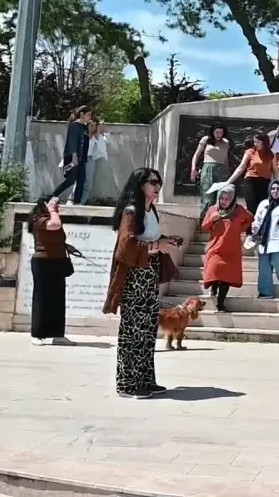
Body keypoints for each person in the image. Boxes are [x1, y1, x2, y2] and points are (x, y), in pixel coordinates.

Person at [102, 168, 180, 399]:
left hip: (149, 275)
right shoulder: (131, 212)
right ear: (140, 186)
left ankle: (145, 379)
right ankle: (127, 383)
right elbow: (126, 246)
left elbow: (150, 238)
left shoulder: (151, 210)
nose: (157, 187)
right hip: (134, 278)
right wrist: (156, 247)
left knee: (147, 330)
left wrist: (165, 241)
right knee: (132, 331)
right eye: (152, 182)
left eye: (159, 182)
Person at [28, 196, 75, 346]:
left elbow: (56, 236)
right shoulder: (39, 218)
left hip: (58, 261)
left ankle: (58, 334)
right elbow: (54, 225)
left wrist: (66, 246)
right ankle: (37, 334)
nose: (57, 207)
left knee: (58, 299)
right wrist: (51, 209)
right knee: (41, 299)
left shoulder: (53, 217)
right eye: (55, 204)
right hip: (42, 262)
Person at [201, 182, 254, 312]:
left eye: (227, 199)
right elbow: (204, 228)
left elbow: (250, 218)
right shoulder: (213, 210)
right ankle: (214, 287)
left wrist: (239, 228)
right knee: (214, 273)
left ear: (233, 199)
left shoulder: (239, 210)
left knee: (227, 278)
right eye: (222, 199)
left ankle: (220, 303)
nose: (224, 202)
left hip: (232, 251)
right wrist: (212, 219)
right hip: (216, 249)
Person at [228, 132, 274, 234]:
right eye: (255, 142)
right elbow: (241, 168)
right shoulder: (250, 152)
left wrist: (276, 185)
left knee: (261, 207)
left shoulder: (271, 154)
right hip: (250, 181)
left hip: (265, 182)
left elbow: (275, 171)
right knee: (251, 206)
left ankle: (259, 231)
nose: (255, 144)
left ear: (264, 143)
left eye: (258, 142)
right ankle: (249, 232)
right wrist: (229, 181)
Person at [51, 106, 93, 204]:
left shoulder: (83, 127)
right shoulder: (74, 126)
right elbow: (72, 142)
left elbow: (85, 143)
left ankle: (77, 202)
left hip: (81, 158)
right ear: (82, 114)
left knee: (81, 181)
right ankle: (53, 195)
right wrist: (74, 156)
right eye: (88, 115)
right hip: (73, 158)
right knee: (71, 180)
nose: (89, 117)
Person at [191, 124, 232, 219]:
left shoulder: (226, 142)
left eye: (221, 132)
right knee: (207, 196)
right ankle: (204, 221)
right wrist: (193, 168)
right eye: (217, 132)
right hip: (208, 169)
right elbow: (196, 155)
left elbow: (225, 159)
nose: (218, 134)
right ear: (212, 132)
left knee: (220, 196)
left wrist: (228, 173)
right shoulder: (206, 140)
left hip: (222, 171)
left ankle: (217, 220)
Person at [80, 119, 109, 206]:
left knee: (88, 183)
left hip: (90, 160)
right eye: (91, 125)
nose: (93, 128)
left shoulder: (94, 136)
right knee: (79, 181)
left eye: (94, 126)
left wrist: (99, 125)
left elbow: (101, 133)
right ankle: (73, 200)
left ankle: (82, 203)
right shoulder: (82, 134)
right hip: (81, 160)